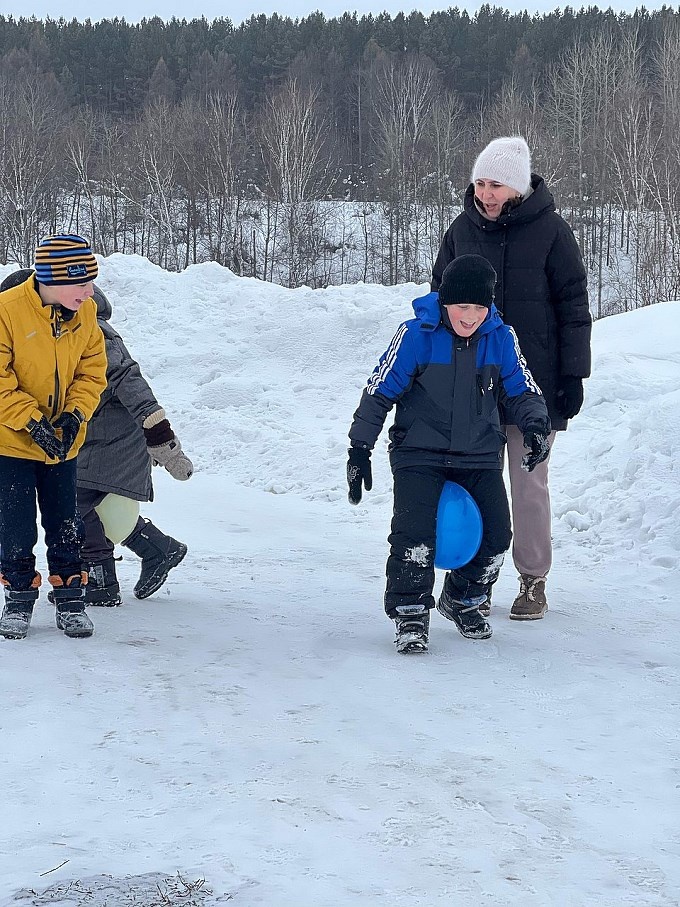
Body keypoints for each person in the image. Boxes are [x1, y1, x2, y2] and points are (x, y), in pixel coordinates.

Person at [346, 254, 551, 654]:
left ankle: (463, 598)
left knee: (496, 536)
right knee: (414, 537)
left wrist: (536, 427)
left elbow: (522, 388)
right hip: (418, 453)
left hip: (477, 456)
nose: (470, 316)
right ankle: (409, 614)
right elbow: (379, 391)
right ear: (444, 302)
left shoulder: (501, 338)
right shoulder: (415, 335)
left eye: (479, 307)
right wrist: (359, 448)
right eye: (462, 307)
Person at [431, 136, 592, 620]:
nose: (486, 193)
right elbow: (439, 301)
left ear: (517, 186)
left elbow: (574, 308)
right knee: (474, 481)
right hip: (473, 384)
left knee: (528, 485)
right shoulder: (462, 229)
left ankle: (533, 580)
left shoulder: (552, 233)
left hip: (534, 387)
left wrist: (572, 375)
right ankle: (474, 577)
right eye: (480, 182)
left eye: (495, 184)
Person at [0, 271, 193, 607]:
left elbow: (131, 383)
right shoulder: (43, 330)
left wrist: (162, 440)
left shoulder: (96, 333)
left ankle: (101, 579)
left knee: (72, 502)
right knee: (94, 504)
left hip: (114, 438)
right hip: (88, 436)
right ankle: (158, 548)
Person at [0, 234, 107, 639]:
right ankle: (18, 596)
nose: (89, 291)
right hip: (11, 442)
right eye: (82, 283)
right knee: (15, 525)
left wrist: (74, 416)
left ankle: (71, 598)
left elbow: (92, 371)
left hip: (63, 443)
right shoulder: (7, 312)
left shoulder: (86, 314)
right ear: (54, 280)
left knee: (66, 522)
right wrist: (32, 423)